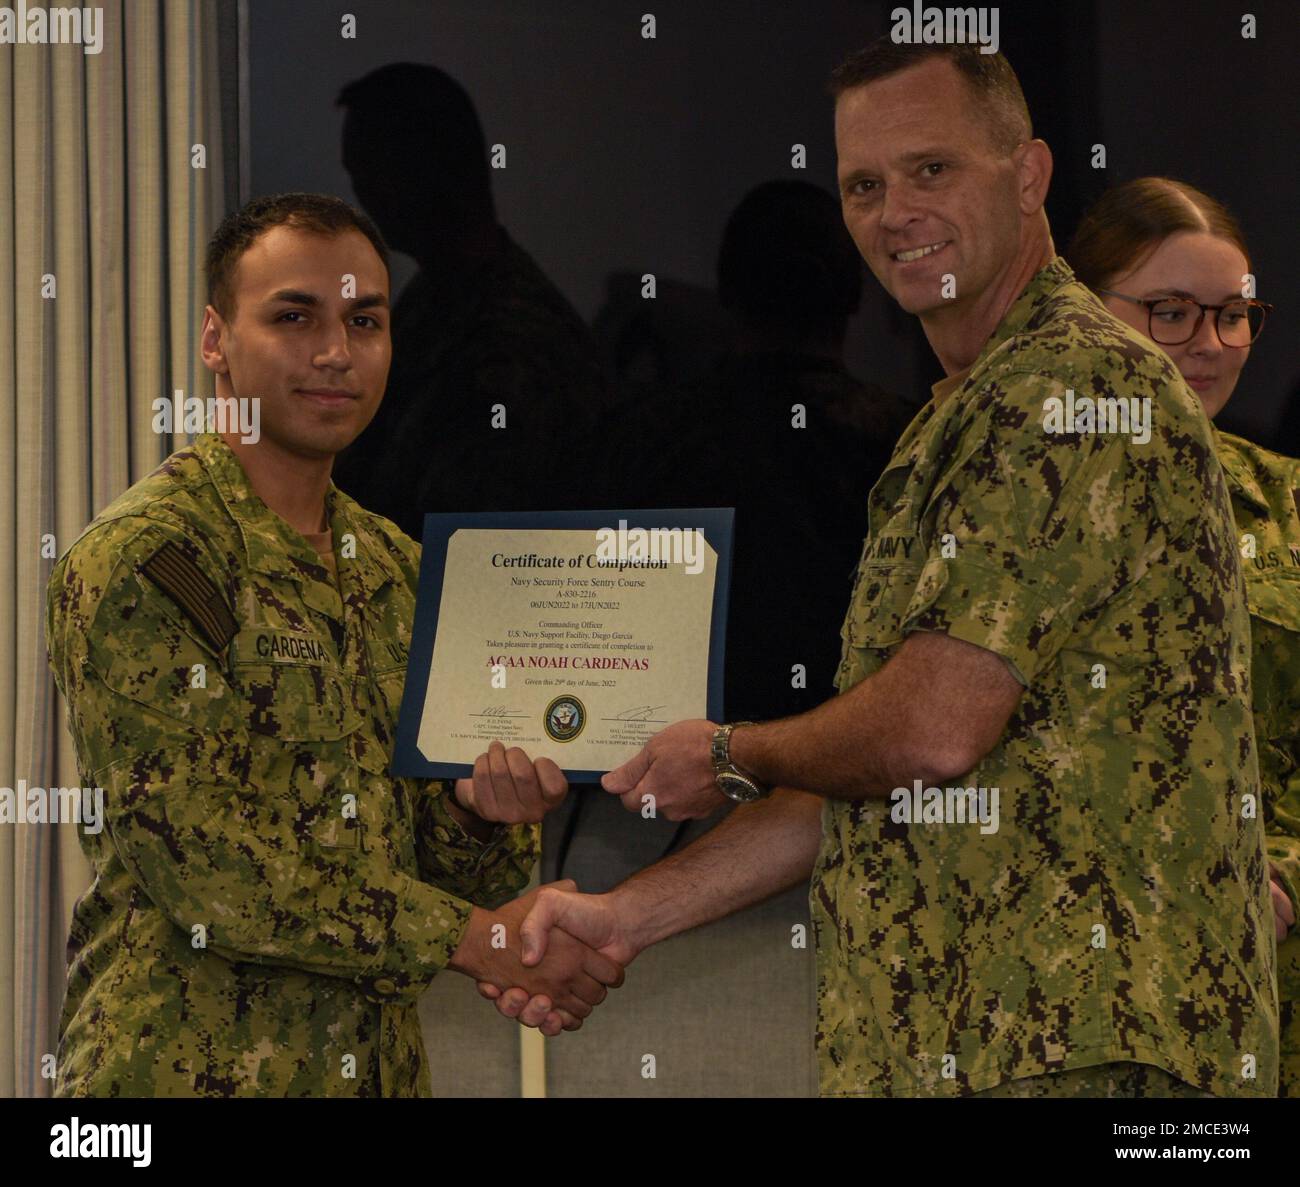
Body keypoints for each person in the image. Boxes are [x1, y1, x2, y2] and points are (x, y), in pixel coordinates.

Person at [481, 41, 1279, 1098]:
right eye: (864, 183)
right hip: (965, 1041)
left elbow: (929, 728)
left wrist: (728, 750)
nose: (894, 209)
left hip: (1085, 1047)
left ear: (1029, 175)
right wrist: (623, 914)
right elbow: (867, 774)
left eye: (931, 169)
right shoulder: (955, 417)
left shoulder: (1073, 386)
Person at [44, 192, 621, 1097]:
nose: (334, 353)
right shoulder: (149, 561)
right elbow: (212, 864)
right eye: (293, 316)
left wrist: (478, 810)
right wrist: (485, 941)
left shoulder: (401, 571)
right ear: (214, 339)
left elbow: (425, 859)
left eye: (364, 320)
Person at [1067, 176, 1299, 1095]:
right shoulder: (1014, 506)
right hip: (1068, 990)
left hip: (1271, 984)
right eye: (1169, 312)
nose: (1208, 345)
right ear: (1083, 312)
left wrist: (1280, 872)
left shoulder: (1285, 503)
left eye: (1233, 315)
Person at [330, 63, 607, 530]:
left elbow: (465, 540)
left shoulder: (515, 343)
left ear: (429, 170)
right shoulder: (437, 295)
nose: (363, 196)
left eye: (373, 172)